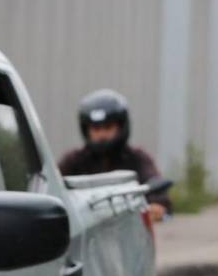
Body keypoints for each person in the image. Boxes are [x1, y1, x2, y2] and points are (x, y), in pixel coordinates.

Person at [58, 89, 171, 221]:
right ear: (86, 130)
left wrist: (157, 206)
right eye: (96, 129)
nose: (101, 135)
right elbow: (53, 192)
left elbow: (156, 193)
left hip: (127, 229)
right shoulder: (73, 161)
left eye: (108, 127)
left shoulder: (137, 158)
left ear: (121, 127)